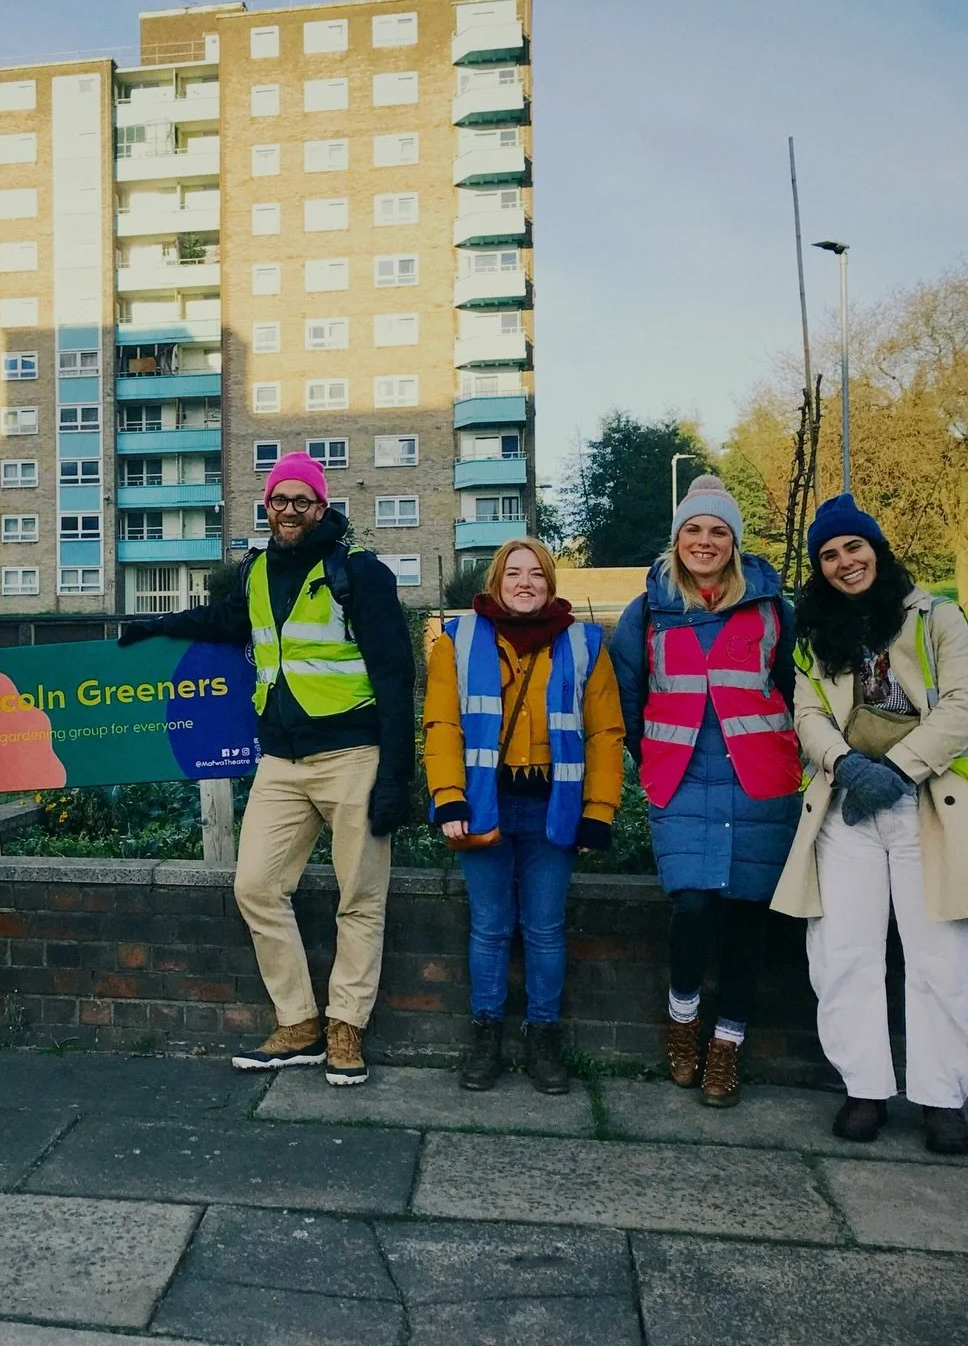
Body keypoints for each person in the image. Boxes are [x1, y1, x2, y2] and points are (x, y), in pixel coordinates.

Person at [118, 452, 415, 1086]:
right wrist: (153, 626)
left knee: (360, 899)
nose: (288, 511)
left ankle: (346, 1028)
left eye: (301, 500)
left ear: (321, 506)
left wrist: (396, 776)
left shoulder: (358, 573)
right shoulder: (256, 572)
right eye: (278, 500)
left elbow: (395, 677)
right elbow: (222, 621)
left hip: (352, 756)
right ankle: (299, 1022)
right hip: (281, 761)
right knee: (255, 885)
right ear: (267, 505)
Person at [772, 495, 968, 1154]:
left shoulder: (936, 616)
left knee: (938, 955)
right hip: (847, 806)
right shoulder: (812, 632)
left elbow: (963, 704)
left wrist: (900, 770)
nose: (844, 562)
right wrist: (849, 766)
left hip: (925, 806)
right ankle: (865, 1088)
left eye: (853, 548)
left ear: (876, 550)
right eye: (829, 555)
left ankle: (942, 1097)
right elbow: (806, 713)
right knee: (842, 953)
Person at [610, 475, 801, 1107]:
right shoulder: (648, 612)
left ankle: (727, 1048)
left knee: (748, 918)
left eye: (719, 531)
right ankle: (683, 1021)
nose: (705, 541)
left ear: (736, 542)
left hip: (761, 785)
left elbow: (798, 694)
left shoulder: (775, 610)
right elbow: (626, 698)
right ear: (676, 538)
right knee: (691, 907)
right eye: (694, 529)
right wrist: (653, 760)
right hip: (680, 782)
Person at [424, 539, 624, 1093]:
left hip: (552, 811)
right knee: (490, 928)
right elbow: (442, 726)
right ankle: (485, 1035)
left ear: (551, 582)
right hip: (483, 807)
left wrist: (599, 812)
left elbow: (606, 734)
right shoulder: (458, 640)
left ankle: (543, 1038)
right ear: (495, 581)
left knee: (545, 930)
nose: (525, 582)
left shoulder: (584, 643)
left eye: (536, 573)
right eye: (513, 573)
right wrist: (449, 797)